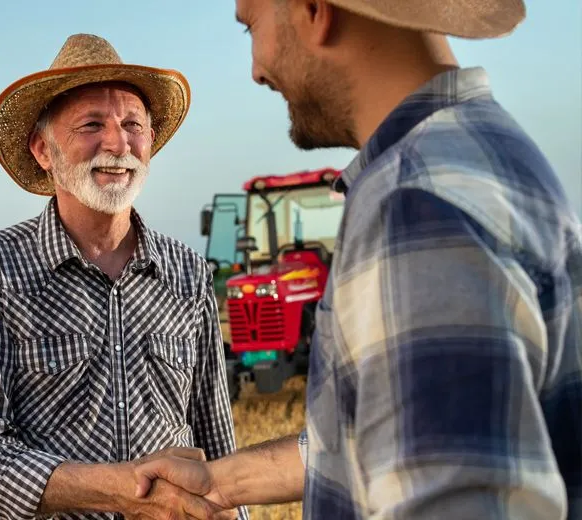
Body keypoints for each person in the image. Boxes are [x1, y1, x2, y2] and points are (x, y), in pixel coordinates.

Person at [134, 0, 582, 518]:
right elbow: (389, 437)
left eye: (250, 27)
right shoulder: (489, 150)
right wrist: (216, 482)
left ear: (314, 11)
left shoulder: (413, 207)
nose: (256, 68)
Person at [0, 33, 247, 520]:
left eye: (132, 124)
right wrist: (122, 490)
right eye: (91, 124)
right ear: (43, 150)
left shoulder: (188, 273)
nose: (118, 142)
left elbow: (214, 441)